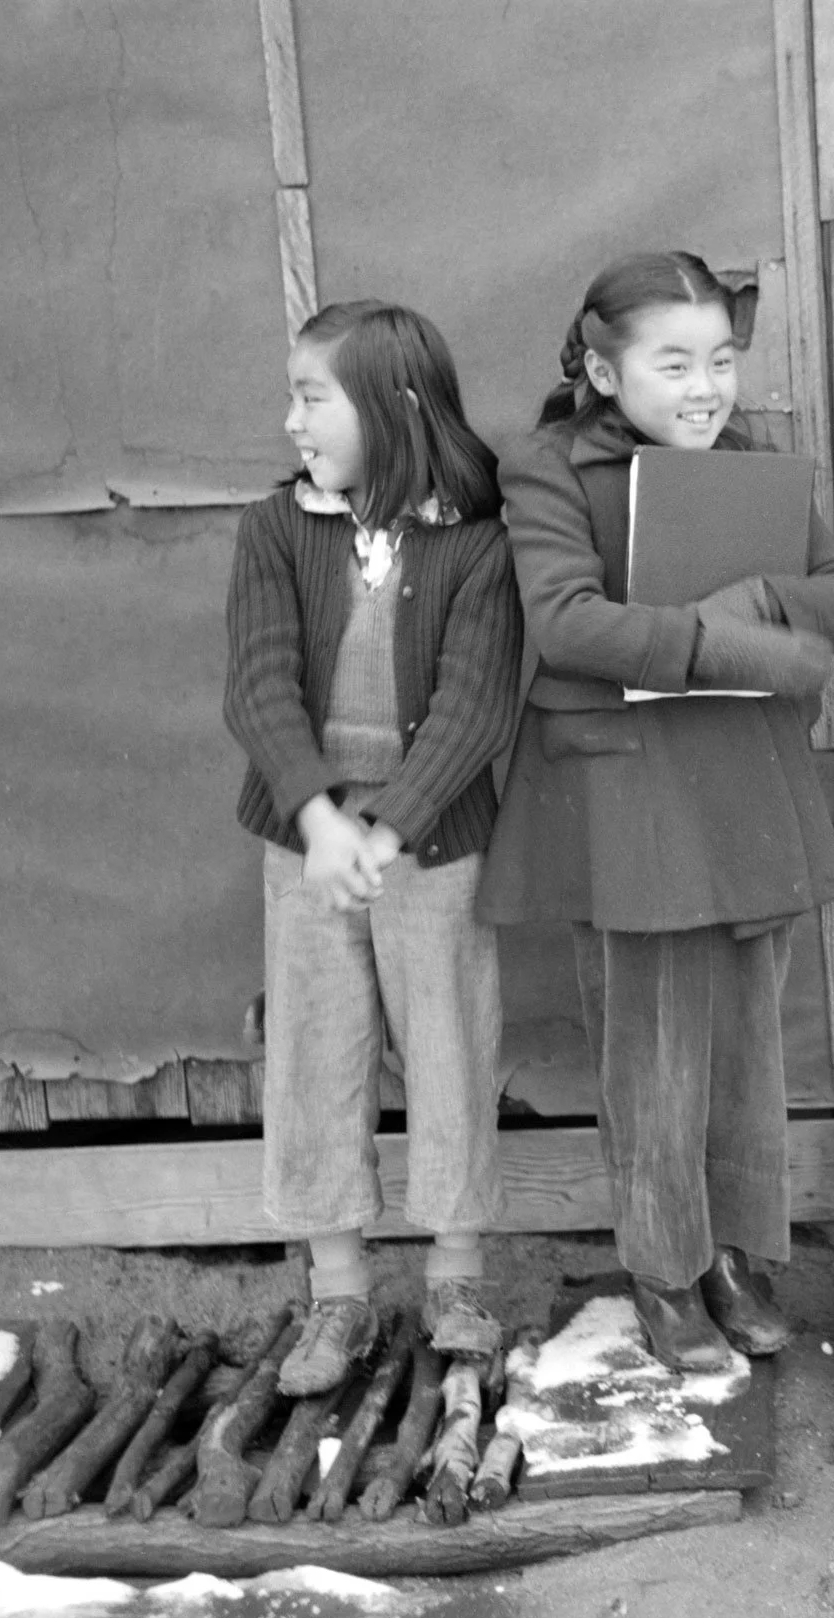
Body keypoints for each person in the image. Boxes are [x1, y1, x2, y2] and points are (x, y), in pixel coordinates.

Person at [480, 251, 834, 1372]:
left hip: (743, 772)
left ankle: (736, 1260)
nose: (707, 387)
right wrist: (726, 642)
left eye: (721, 360)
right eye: (675, 364)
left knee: (749, 1037)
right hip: (626, 792)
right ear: (606, 373)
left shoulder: (751, 466)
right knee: (653, 1044)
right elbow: (564, 623)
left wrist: (754, 602)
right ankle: (662, 1269)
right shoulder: (548, 468)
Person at [223, 300, 524, 1394]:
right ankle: (338, 1291)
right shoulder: (275, 529)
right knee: (314, 1051)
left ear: (392, 408)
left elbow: (473, 705)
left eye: (312, 396)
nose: (292, 420)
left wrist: (389, 828)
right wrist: (316, 820)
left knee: (449, 1043)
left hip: (432, 842)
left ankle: (456, 1274)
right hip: (304, 843)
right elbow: (257, 683)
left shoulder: (475, 544)